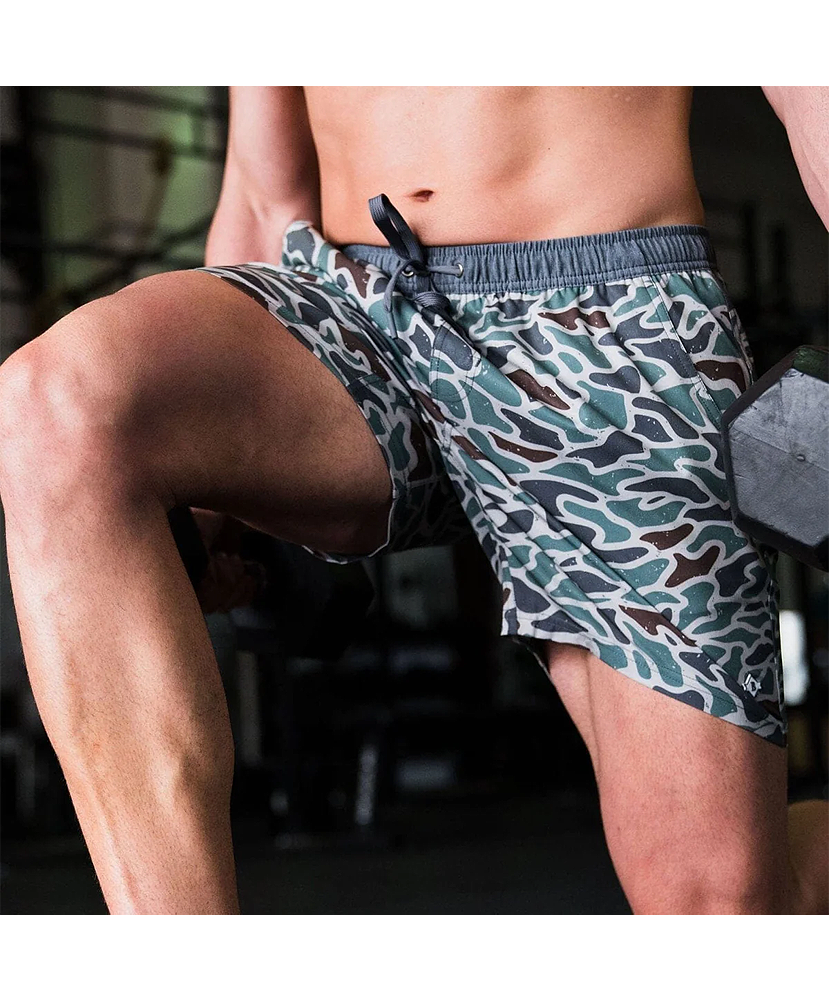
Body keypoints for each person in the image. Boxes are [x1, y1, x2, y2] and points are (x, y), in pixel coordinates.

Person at [0, 86, 826, 915]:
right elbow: (261, 196)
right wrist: (214, 507)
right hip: (353, 304)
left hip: (608, 326)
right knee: (53, 406)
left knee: (720, 909)